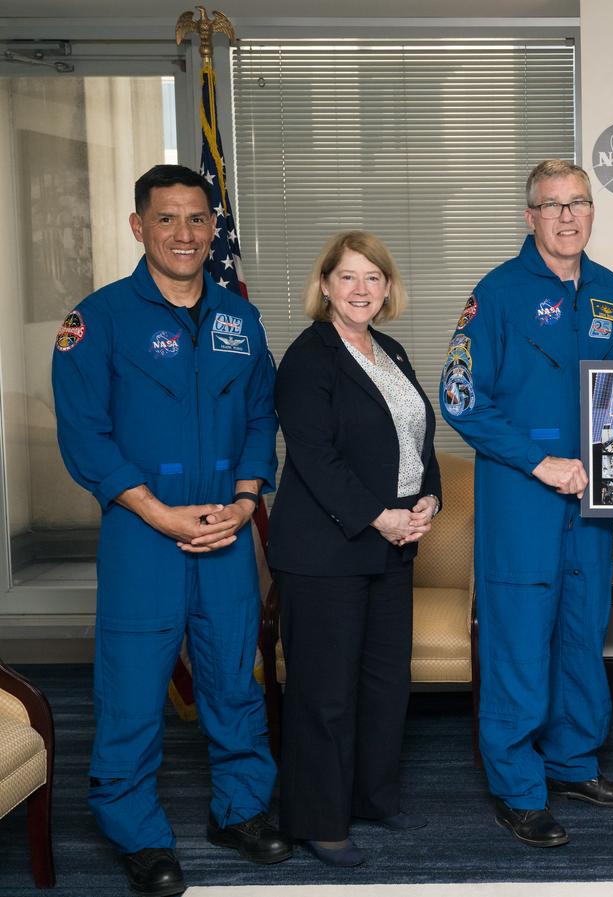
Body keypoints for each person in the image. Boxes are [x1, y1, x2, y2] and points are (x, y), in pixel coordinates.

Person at [52, 164, 289, 897]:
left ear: (212, 228)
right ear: (138, 226)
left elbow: (259, 416)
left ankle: (240, 810)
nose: (184, 233)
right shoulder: (99, 320)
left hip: (223, 526)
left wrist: (247, 503)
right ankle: (135, 829)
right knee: (131, 685)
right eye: (167, 219)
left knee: (232, 678)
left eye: (196, 219)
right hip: (141, 530)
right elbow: (85, 435)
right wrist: (155, 510)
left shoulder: (238, 320)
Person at [440, 159, 613, 848]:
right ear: (530, 216)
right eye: (552, 205)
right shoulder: (496, 294)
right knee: (520, 641)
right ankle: (519, 788)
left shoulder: (610, 291)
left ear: (592, 212)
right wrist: (540, 461)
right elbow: (460, 397)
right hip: (523, 500)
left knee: (583, 635)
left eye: (578, 203)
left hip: (591, 504)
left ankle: (573, 761)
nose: (567, 216)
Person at [270, 231, 441, 867]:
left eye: (374, 277)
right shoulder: (308, 358)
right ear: (324, 287)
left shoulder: (390, 349)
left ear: (388, 289)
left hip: (391, 548)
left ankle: (373, 797)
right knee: (325, 690)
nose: (361, 289)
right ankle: (318, 818)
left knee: (383, 683)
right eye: (347, 277)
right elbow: (314, 457)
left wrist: (429, 501)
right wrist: (379, 517)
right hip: (325, 551)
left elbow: (417, 438)